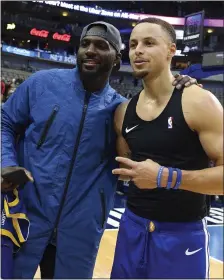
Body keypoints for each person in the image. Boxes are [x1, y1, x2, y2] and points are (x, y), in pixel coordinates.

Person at [1, 21, 198, 279]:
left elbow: (155, 142)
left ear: (116, 59)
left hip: (80, 231)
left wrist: (180, 91)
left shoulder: (121, 111)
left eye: (101, 46)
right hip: (27, 216)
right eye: (85, 44)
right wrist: (5, 162)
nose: (90, 50)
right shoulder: (41, 84)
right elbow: (5, 122)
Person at [111, 17, 223, 279]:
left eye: (149, 43)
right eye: (133, 44)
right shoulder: (122, 112)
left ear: (171, 50)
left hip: (182, 234)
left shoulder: (198, 102)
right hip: (131, 227)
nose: (138, 50)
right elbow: (124, 165)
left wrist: (165, 177)